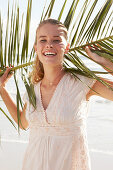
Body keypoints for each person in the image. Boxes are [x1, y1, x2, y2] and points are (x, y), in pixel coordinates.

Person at [0, 18, 113, 170]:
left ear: (66, 47)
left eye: (56, 40)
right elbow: (22, 122)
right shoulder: (33, 88)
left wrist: (106, 63)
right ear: (36, 47)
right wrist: (2, 88)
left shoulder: (82, 83)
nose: (49, 44)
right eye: (43, 40)